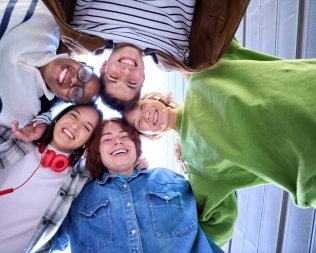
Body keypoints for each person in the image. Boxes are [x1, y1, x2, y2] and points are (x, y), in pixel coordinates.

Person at [123, 49, 316, 245]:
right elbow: (212, 233)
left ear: (152, 97)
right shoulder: (196, 167)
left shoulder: (203, 73)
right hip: (310, 166)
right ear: (152, 135)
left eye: (140, 107)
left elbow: (209, 30)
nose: (145, 116)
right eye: (140, 124)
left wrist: (181, 62)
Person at [0, 0, 101, 170]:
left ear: (64, 98)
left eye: (77, 92)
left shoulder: (22, 113)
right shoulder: (47, 21)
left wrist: (39, 124)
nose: (75, 81)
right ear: (80, 61)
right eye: (85, 75)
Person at [0, 104, 103, 252]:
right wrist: (40, 120)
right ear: (58, 119)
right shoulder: (9, 139)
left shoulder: (80, 181)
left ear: (86, 143)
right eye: (73, 116)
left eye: (86, 128)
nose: (75, 126)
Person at [51, 118, 224, 253]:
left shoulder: (170, 178)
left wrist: (193, 158)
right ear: (98, 154)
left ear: (136, 145)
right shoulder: (79, 200)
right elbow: (45, 240)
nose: (117, 142)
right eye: (107, 139)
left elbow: (218, 199)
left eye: (124, 136)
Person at [44, 0, 250, 111]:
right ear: (142, 78)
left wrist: (43, 119)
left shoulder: (83, 32)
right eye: (131, 83)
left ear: (104, 66)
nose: (126, 72)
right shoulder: (176, 56)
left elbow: (46, 63)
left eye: (114, 77)